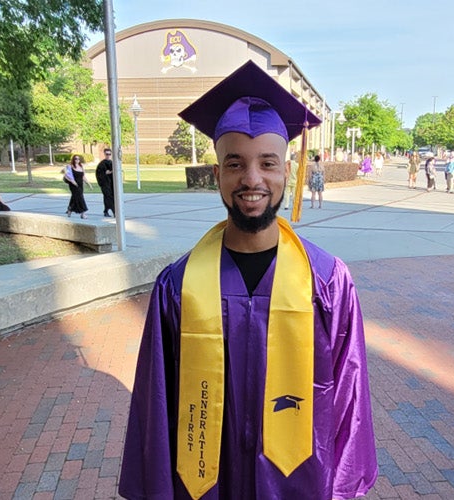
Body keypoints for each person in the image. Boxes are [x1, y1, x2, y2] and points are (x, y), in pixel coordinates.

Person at [120, 61, 375, 500]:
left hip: (299, 485)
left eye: (267, 164)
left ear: (286, 173)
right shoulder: (176, 287)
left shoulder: (329, 282)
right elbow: (155, 407)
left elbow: (349, 401)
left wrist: (342, 489)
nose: (252, 179)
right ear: (217, 176)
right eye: (235, 164)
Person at [96, 148, 119, 218]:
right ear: (104, 154)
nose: (108, 155)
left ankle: (106, 211)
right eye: (107, 154)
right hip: (105, 184)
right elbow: (99, 174)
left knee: (109, 197)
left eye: (109, 154)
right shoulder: (101, 164)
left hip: (112, 183)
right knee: (108, 197)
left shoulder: (112, 163)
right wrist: (105, 173)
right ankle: (114, 212)